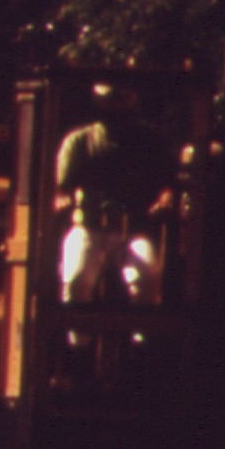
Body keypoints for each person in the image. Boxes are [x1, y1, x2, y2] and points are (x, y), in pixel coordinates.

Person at [53, 87, 176, 304]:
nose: (115, 109)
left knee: (146, 277)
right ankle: (78, 338)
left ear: (132, 101)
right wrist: (63, 200)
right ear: (99, 103)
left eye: (120, 100)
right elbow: (62, 188)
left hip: (134, 229)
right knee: (75, 279)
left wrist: (165, 198)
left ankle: (142, 337)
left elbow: (167, 183)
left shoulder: (149, 141)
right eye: (109, 101)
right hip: (88, 227)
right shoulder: (80, 141)